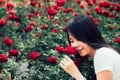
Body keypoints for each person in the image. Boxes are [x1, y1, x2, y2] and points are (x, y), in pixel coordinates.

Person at [59, 14, 120, 80]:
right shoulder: (103, 53)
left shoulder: (102, 55)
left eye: (78, 39)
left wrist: (77, 75)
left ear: (89, 35)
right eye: (72, 41)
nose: (74, 45)